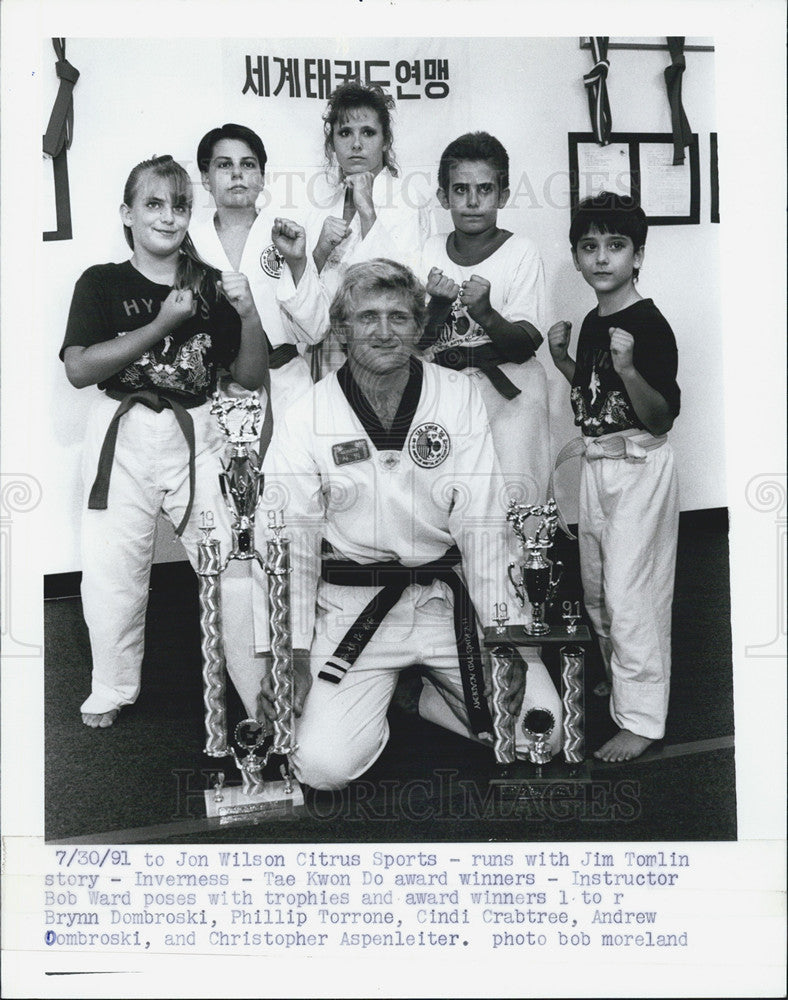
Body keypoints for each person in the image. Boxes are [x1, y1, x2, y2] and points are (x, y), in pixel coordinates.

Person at [260, 258, 562, 791]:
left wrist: (504, 637)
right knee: (321, 767)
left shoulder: (456, 395)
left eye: (399, 317)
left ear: (420, 326)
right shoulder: (308, 415)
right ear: (342, 329)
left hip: (447, 604)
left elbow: (483, 523)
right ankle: (394, 691)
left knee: (542, 734)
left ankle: (416, 697)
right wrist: (293, 651)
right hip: (352, 609)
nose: (383, 331)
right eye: (367, 317)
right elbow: (293, 542)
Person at [61, 155, 268, 728]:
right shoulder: (102, 282)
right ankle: (112, 685)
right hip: (121, 434)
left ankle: (258, 690)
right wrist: (158, 326)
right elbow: (79, 370)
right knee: (113, 568)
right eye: (153, 203)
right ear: (127, 213)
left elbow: (250, 377)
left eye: (179, 205)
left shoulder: (207, 284)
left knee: (231, 558)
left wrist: (248, 315)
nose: (168, 216)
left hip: (195, 434)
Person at [547, 192, 681, 762]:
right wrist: (564, 364)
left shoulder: (649, 325)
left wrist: (628, 366)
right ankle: (620, 677)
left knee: (633, 595)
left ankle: (643, 717)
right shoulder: (591, 321)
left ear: (638, 255)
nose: (602, 258)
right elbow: (594, 395)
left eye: (616, 246)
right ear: (577, 257)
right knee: (599, 587)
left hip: (639, 467)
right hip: (599, 466)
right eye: (590, 246)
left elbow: (660, 415)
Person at [420, 131, 549, 507]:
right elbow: (417, 342)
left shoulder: (521, 252)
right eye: (460, 190)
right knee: (455, 498)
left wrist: (487, 314)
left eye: (485, 189)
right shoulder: (429, 248)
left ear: (503, 195)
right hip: (447, 391)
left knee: (517, 498)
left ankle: (529, 565)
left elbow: (524, 344)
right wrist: (438, 308)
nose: (472, 201)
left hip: (512, 396)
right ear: (444, 197)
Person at [274, 80, 434, 377]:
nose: (356, 144)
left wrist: (368, 212)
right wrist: (315, 254)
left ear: (386, 142)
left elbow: (413, 297)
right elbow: (310, 328)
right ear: (332, 143)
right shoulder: (319, 209)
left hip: (389, 358)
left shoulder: (409, 202)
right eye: (345, 133)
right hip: (329, 362)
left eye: (368, 133)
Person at [189, 124, 314, 416]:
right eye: (223, 165)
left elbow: (316, 329)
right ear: (206, 179)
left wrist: (298, 263)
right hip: (211, 392)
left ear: (261, 178)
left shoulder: (287, 234)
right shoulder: (189, 242)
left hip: (285, 384)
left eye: (247, 164)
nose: (237, 174)